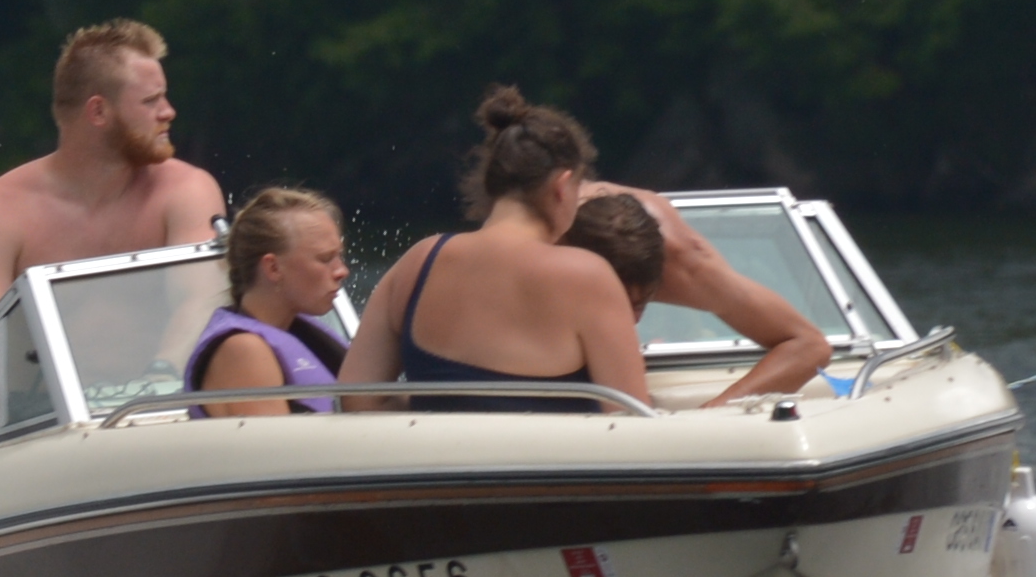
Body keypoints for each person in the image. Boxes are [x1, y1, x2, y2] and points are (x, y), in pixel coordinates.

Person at [337, 87, 648, 415]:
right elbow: (631, 417)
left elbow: (358, 398)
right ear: (562, 186)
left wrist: (432, 410)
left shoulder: (418, 261)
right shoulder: (588, 276)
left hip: (438, 448)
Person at [0, 19, 227, 342]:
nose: (168, 112)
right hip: (41, 380)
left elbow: (200, 304)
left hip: (164, 375)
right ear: (99, 112)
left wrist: (162, 369)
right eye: (151, 101)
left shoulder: (187, 191)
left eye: (164, 97)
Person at [565, 190, 832, 402]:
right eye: (622, 305)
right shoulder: (547, 252)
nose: (633, 320)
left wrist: (714, 414)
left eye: (642, 303)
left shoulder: (685, 266)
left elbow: (809, 345)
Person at [186, 185, 355, 417]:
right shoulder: (243, 351)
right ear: (273, 268)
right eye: (325, 259)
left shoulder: (300, 334)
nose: (342, 271)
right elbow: (273, 442)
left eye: (339, 256)